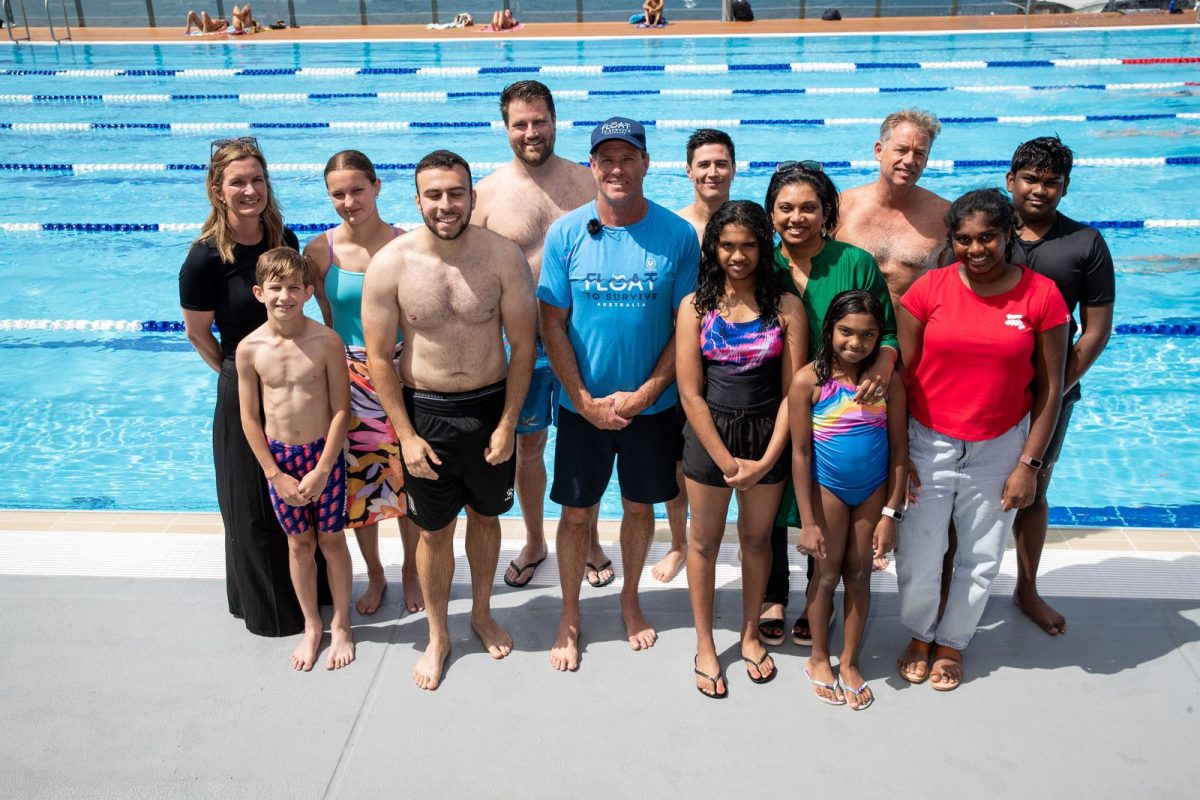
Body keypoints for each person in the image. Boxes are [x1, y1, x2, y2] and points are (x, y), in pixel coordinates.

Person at [362, 150, 537, 691]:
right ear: (417, 200)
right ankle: (439, 634)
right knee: (434, 534)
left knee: (487, 521)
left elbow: (524, 346)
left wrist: (509, 423)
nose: (445, 204)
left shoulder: (502, 257)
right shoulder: (391, 264)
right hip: (427, 415)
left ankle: (480, 613)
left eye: (455, 193)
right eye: (433, 195)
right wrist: (406, 436)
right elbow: (377, 358)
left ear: (471, 197)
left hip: (488, 410)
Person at [538, 117, 699, 671]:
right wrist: (580, 397)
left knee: (638, 506)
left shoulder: (677, 235)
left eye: (627, 158)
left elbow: (687, 325)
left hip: (651, 408)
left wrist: (650, 390)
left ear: (646, 163)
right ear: (591, 166)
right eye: (605, 158)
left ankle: (630, 599)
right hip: (582, 407)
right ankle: (570, 611)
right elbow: (552, 323)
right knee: (577, 515)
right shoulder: (565, 233)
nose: (616, 168)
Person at [896, 188, 1068, 691]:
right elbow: (903, 378)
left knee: (980, 555)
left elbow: (1052, 388)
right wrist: (901, 454)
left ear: (1008, 232)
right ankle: (920, 632)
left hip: (1000, 445)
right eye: (964, 239)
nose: (976, 249)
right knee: (919, 552)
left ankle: (952, 642)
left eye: (987, 237)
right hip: (929, 440)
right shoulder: (928, 290)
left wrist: (1029, 465)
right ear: (952, 241)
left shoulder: (1041, 296)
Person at [180, 137, 329, 637]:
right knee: (250, 505)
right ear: (218, 191)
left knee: (304, 496)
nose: (250, 190)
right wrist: (237, 372)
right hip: (243, 385)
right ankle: (270, 610)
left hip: (294, 382)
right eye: (238, 182)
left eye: (257, 179)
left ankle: (316, 597)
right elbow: (199, 334)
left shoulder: (278, 236)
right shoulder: (203, 258)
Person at [473, 81, 615, 592]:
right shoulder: (486, 195)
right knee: (528, 447)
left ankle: (592, 536)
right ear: (506, 127)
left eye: (539, 121)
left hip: (583, 342)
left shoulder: (587, 184)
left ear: (555, 121)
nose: (530, 132)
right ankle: (534, 540)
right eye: (520, 123)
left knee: (590, 442)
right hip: (522, 348)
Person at [759, 162, 899, 651]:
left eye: (808, 208)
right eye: (786, 208)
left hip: (838, 405)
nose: (797, 218)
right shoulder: (762, 264)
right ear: (771, 212)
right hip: (772, 399)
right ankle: (773, 595)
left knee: (826, 500)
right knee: (776, 498)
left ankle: (819, 595)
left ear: (826, 212)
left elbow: (889, 330)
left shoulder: (854, 262)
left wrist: (884, 363)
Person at [678, 201, 806, 698]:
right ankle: (706, 644)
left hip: (766, 433)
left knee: (757, 542)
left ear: (763, 247)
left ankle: (750, 633)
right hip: (711, 435)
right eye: (727, 245)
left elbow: (794, 390)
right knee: (704, 544)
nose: (737, 255)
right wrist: (726, 459)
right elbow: (691, 393)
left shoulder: (786, 308)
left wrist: (769, 458)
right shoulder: (695, 307)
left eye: (748, 245)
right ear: (713, 248)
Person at [305, 150, 424, 616]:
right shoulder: (319, 252)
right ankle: (376, 573)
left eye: (358, 189)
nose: (349, 201)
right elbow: (321, 321)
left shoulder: (408, 243)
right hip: (351, 378)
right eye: (338, 194)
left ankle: (412, 570)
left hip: (407, 372)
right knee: (364, 487)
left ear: (377, 186)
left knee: (413, 482)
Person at [1006, 136, 1115, 636]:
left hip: (1050, 390)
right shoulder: (986, 232)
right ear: (1012, 181)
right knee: (965, 493)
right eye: (1030, 179)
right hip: (978, 390)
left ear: (1065, 188)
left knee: (1033, 489)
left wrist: (1052, 389)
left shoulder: (1085, 243)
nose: (1039, 190)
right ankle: (948, 586)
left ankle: (1026, 588)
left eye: (1052, 182)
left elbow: (1095, 330)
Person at [236, 248, 355, 671]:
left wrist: (324, 468)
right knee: (299, 544)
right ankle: (312, 625)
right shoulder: (249, 349)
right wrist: (275, 473)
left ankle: (341, 622)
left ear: (307, 292)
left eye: (292, 287)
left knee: (332, 541)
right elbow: (250, 418)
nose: (284, 296)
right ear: (258, 292)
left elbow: (342, 409)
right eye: (275, 288)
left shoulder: (326, 342)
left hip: (324, 455)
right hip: (281, 460)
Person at [789, 290, 906, 709]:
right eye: (846, 332)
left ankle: (851, 661)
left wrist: (891, 513)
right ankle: (819, 657)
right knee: (825, 574)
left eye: (868, 335)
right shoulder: (809, 381)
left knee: (859, 575)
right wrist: (808, 520)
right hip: (829, 491)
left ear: (880, 338)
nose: (855, 343)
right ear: (830, 329)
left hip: (873, 491)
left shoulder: (886, 383)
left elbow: (899, 453)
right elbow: (800, 454)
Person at [836, 109, 952, 305]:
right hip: (849, 333)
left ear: (926, 161)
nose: (909, 161)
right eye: (901, 149)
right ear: (878, 150)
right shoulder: (841, 207)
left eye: (919, 153)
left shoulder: (945, 216)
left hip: (909, 332)